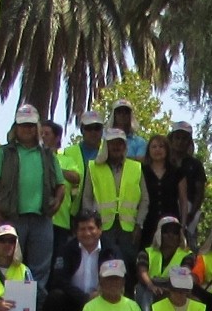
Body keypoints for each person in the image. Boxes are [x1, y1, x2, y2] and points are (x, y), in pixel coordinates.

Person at [0, 104, 65, 304]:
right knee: (13, 262)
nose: (27, 130)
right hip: (13, 217)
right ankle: (12, 308)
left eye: (31, 125)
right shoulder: (5, 153)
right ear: (16, 127)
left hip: (42, 217)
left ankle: (34, 309)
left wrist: (58, 200)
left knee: (40, 266)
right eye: (23, 126)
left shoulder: (47, 153)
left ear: (37, 127)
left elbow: (61, 184)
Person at [44, 209, 122, 311]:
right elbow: (59, 280)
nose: (87, 233)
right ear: (76, 232)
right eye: (82, 229)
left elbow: (118, 280)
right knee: (54, 298)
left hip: (102, 301)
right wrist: (84, 297)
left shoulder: (111, 250)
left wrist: (101, 294)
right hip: (75, 300)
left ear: (100, 230)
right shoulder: (67, 249)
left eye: (91, 228)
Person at [81, 128, 148, 281]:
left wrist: (140, 224)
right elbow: (87, 198)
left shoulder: (136, 167)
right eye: (112, 144)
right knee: (105, 265)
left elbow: (144, 199)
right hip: (103, 227)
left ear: (125, 146)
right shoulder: (94, 167)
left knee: (129, 268)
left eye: (120, 144)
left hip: (129, 228)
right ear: (106, 146)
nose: (116, 147)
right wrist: (91, 225)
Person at [52, 111, 102, 263]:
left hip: (98, 211)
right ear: (82, 130)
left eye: (97, 128)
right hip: (71, 211)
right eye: (89, 128)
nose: (93, 132)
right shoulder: (69, 151)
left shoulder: (106, 152)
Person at [135, 216, 194, 311]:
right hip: (150, 287)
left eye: (175, 232)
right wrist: (151, 286)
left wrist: (170, 290)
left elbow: (185, 274)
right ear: (159, 234)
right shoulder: (147, 252)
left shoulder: (187, 255)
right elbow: (142, 271)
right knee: (142, 291)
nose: (171, 235)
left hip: (175, 289)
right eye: (166, 232)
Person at [139, 135, 188, 246]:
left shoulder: (177, 172)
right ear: (149, 150)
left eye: (161, 146)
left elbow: (183, 201)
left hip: (171, 224)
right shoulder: (141, 171)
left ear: (167, 149)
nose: (158, 150)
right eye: (154, 147)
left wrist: (183, 225)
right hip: (148, 223)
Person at [167, 121, 207, 248]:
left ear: (189, 142)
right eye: (177, 138)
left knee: (188, 247)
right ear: (171, 139)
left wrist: (191, 214)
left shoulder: (195, 165)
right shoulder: (163, 162)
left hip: (189, 212)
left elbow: (200, 193)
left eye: (184, 138)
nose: (180, 142)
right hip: (167, 210)